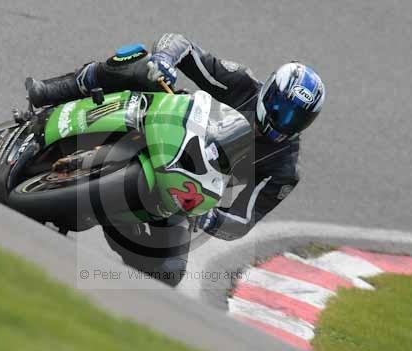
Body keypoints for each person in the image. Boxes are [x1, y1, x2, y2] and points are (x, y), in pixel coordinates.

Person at [26, 33, 325, 285]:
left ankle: (115, 220)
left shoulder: (284, 169)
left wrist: (210, 217)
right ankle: (54, 92)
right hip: (167, 126)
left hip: (182, 196)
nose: (282, 121)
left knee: (170, 272)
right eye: (280, 108)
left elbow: (244, 219)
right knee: (137, 63)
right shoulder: (241, 83)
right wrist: (165, 60)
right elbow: (182, 45)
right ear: (269, 91)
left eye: (294, 119)